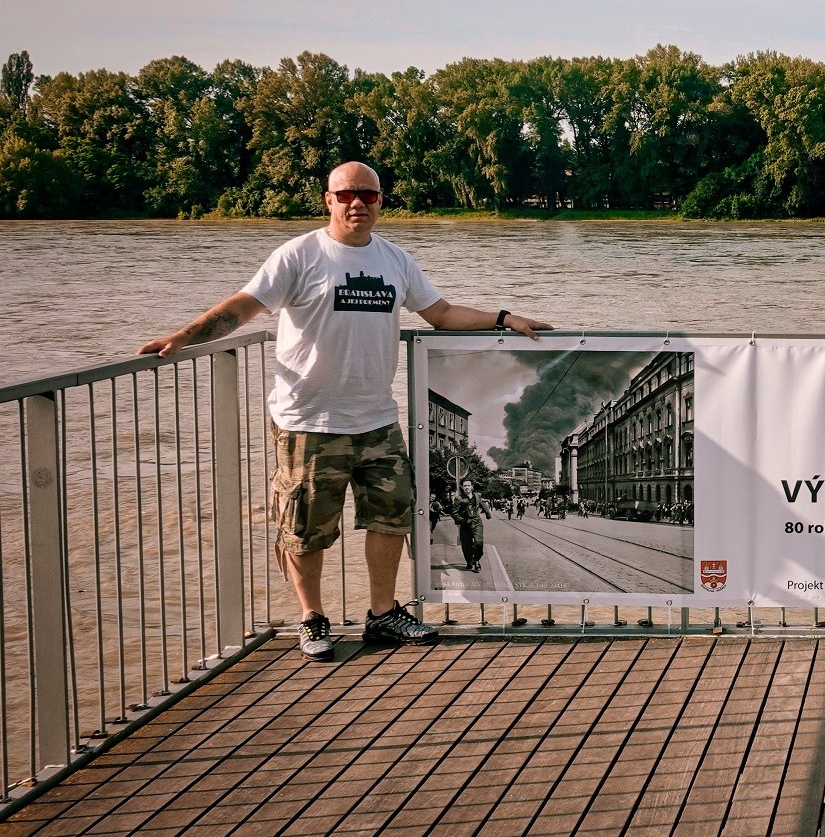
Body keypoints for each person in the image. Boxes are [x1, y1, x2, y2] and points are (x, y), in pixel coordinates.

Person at [139, 162, 551, 661]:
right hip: (308, 421)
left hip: (377, 419)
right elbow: (243, 307)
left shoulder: (395, 259)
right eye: (347, 194)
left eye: (369, 195)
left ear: (380, 201)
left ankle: (383, 614)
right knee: (305, 528)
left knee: (392, 517)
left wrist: (505, 318)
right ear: (329, 200)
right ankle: (312, 618)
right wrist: (183, 337)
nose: (358, 203)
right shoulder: (299, 255)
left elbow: (441, 314)